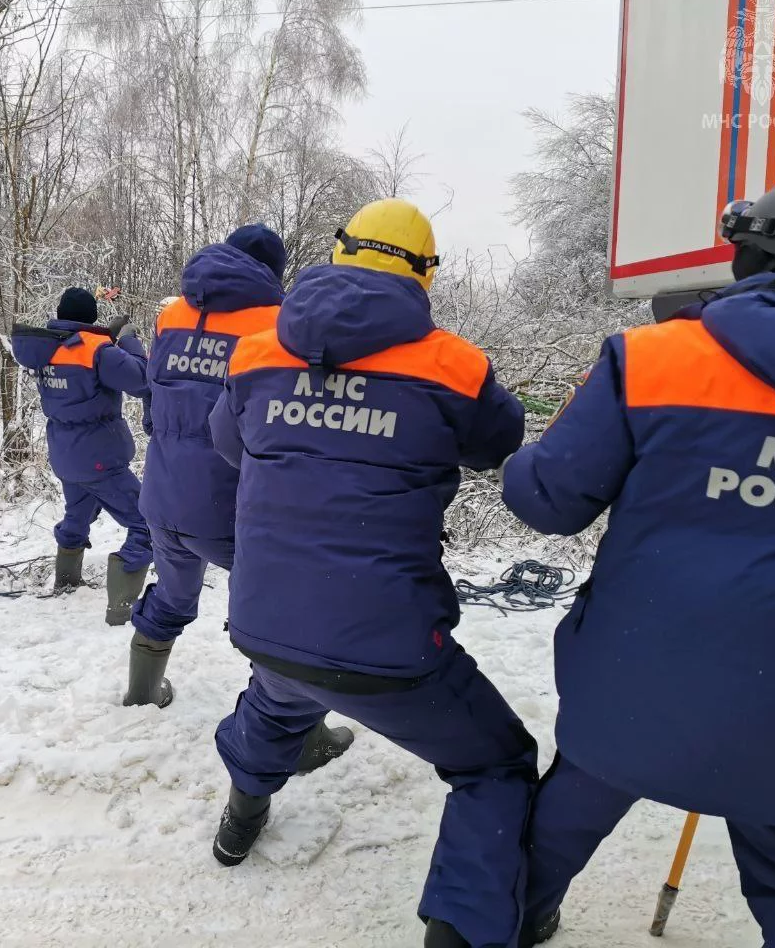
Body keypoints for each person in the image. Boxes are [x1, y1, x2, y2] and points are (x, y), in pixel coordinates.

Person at [500, 174, 775, 948]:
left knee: (538, 851)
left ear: (752, 256)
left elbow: (547, 502)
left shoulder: (655, 358)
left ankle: (509, 924)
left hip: (630, 693)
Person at [207, 199, 536, 948]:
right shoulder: (453, 363)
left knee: (281, 695)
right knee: (496, 764)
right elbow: (498, 442)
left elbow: (229, 443)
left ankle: (239, 822)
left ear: (339, 250)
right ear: (424, 271)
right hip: (388, 644)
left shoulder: (258, 350)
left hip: (267, 620)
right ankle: (465, 931)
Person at [124, 225, 351, 766]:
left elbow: (155, 401)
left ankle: (141, 692)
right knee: (286, 612)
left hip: (160, 493)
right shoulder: (275, 325)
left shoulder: (173, 314)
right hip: (226, 504)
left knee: (173, 596)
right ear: (272, 272)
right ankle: (300, 733)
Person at [11, 287, 153, 625]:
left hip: (64, 453)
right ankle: (121, 606)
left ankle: (66, 581)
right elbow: (142, 379)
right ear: (91, 318)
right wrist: (130, 342)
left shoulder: (46, 348)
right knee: (146, 523)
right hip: (99, 456)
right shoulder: (98, 350)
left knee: (78, 515)